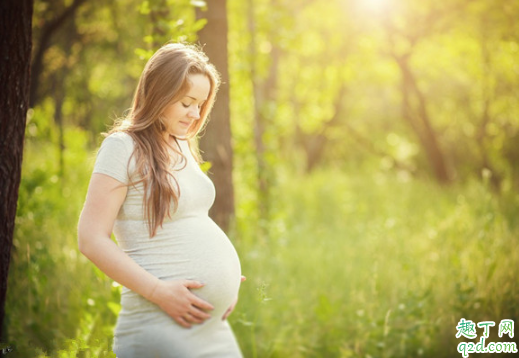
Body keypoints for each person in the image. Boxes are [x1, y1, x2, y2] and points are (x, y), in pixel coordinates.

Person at [77, 43, 244, 357]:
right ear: (159, 93)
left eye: (201, 104)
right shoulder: (122, 146)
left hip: (209, 329)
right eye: (186, 102)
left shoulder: (180, 144)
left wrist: (227, 280)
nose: (195, 114)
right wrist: (159, 291)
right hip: (160, 324)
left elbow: (188, 222)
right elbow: (90, 238)